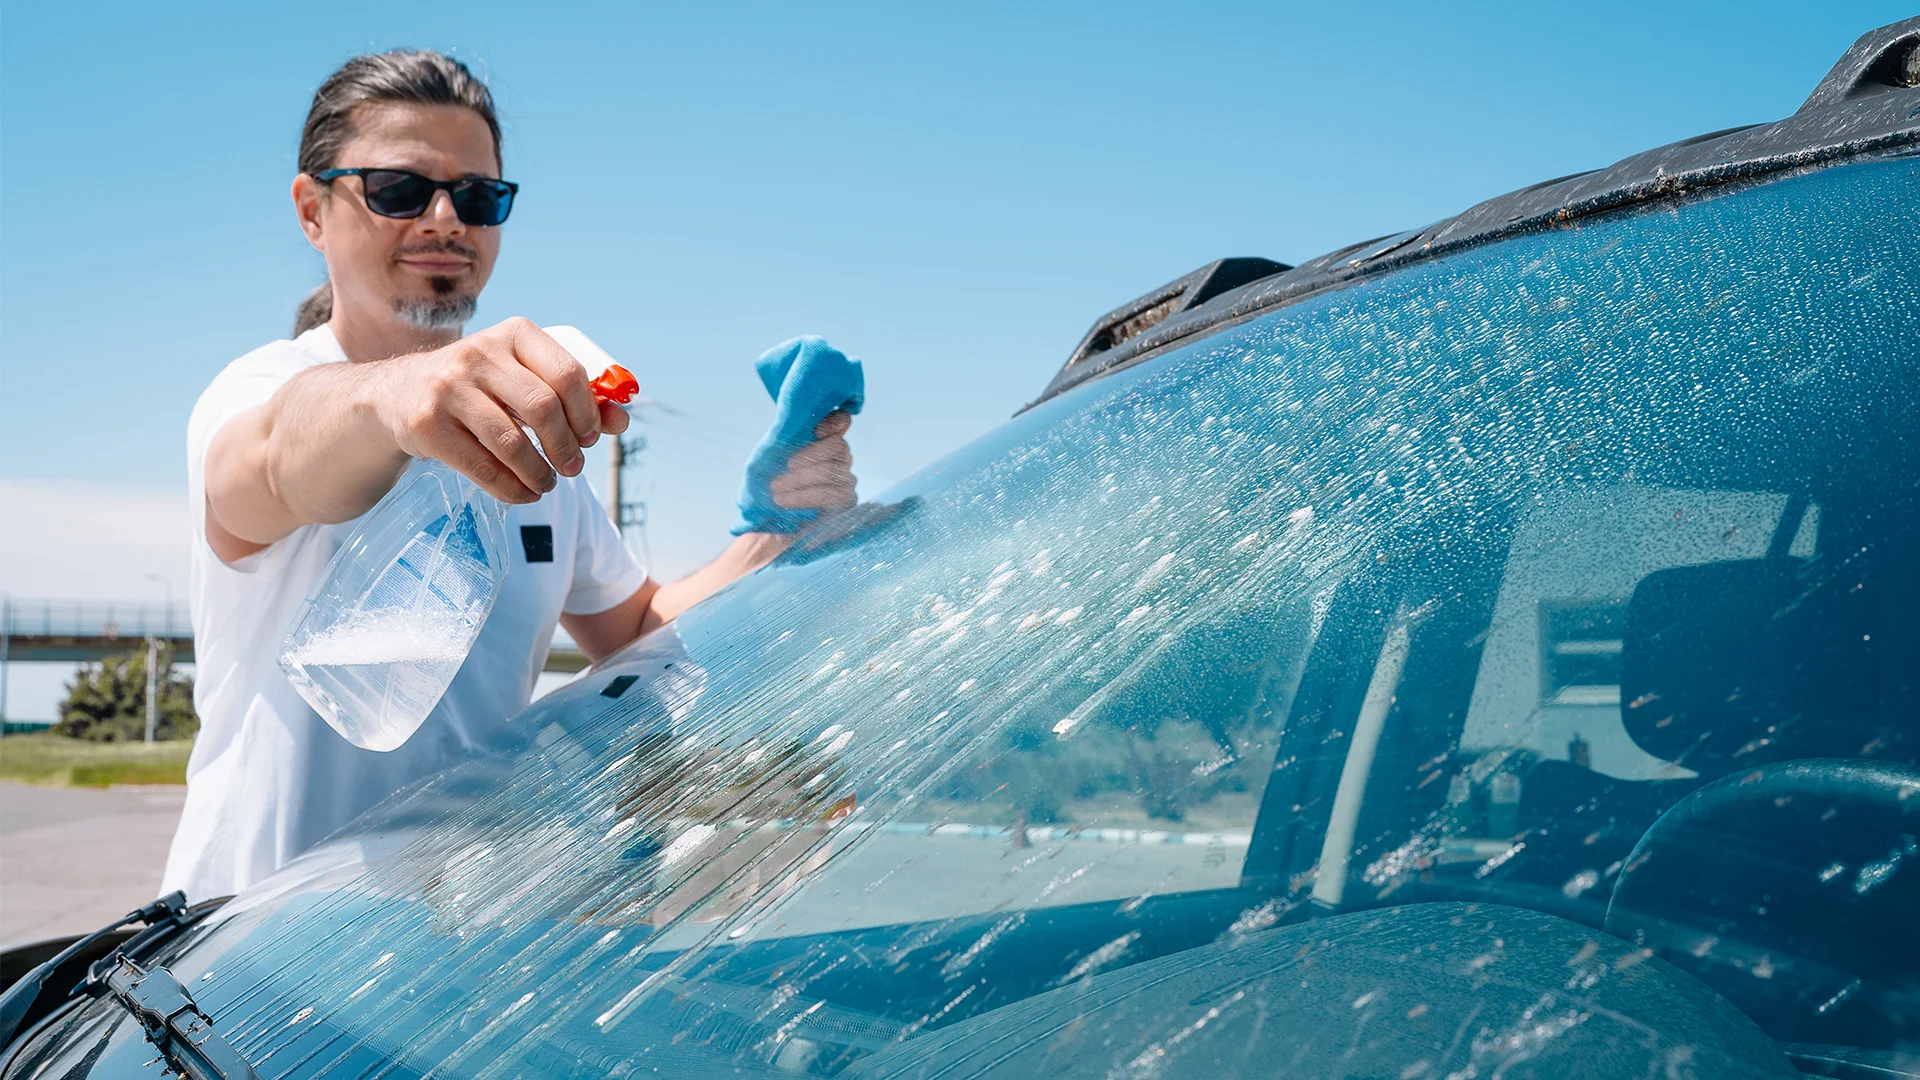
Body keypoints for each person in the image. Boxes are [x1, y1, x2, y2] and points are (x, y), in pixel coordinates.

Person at [162, 49, 859, 901]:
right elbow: (268, 465)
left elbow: (637, 630)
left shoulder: (529, 435)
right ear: (313, 210)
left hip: (448, 949)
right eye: (398, 191)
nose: (447, 220)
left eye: (480, 197)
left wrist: (774, 529)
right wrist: (402, 392)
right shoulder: (262, 390)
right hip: (236, 967)